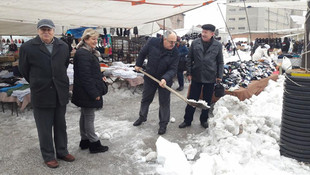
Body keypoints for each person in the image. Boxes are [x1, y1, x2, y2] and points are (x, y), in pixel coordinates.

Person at [19, 19, 75, 168]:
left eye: (49, 29)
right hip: (41, 92)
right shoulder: (27, 47)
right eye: (43, 29)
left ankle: (62, 151)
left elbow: (64, 65)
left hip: (59, 92)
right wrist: (37, 81)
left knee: (60, 125)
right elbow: (24, 69)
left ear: (53, 30)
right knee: (44, 127)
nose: (46, 32)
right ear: (38, 31)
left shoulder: (63, 46)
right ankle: (49, 155)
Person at [133, 30, 179, 135]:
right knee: (146, 99)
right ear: (164, 39)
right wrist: (138, 64)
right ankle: (142, 117)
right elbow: (143, 53)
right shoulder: (153, 42)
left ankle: (163, 124)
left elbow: (173, 69)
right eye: (171, 42)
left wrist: (165, 78)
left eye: (174, 42)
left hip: (164, 81)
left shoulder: (175, 52)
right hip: (150, 77)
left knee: (164, 102)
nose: (173, 44)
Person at [71, 28, 109, 154]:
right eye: (93, 39)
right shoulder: (83, 54)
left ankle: (85, 140)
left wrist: (99, 76)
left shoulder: (86, 52)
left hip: (84, 91)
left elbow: (90, 73)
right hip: (87, 92)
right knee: (89, 117)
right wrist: (94, 93)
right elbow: (85, 77)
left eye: (96, 39)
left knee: (84, 115)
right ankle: (94, 143)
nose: (95, 41)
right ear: (86, 39)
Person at [179, 24, 224, 129]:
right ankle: (187, 120)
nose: (203, 34)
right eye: (203, 31)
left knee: (207, 101)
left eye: (206, 32)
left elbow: (220, 62)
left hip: (210, 76)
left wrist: (219, 76)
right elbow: (189, 59)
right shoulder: (195, 43)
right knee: (192, 100)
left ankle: (204, 120)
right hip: (197, 75)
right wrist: (189, 73)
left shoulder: (218, 45)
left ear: (212, 34)